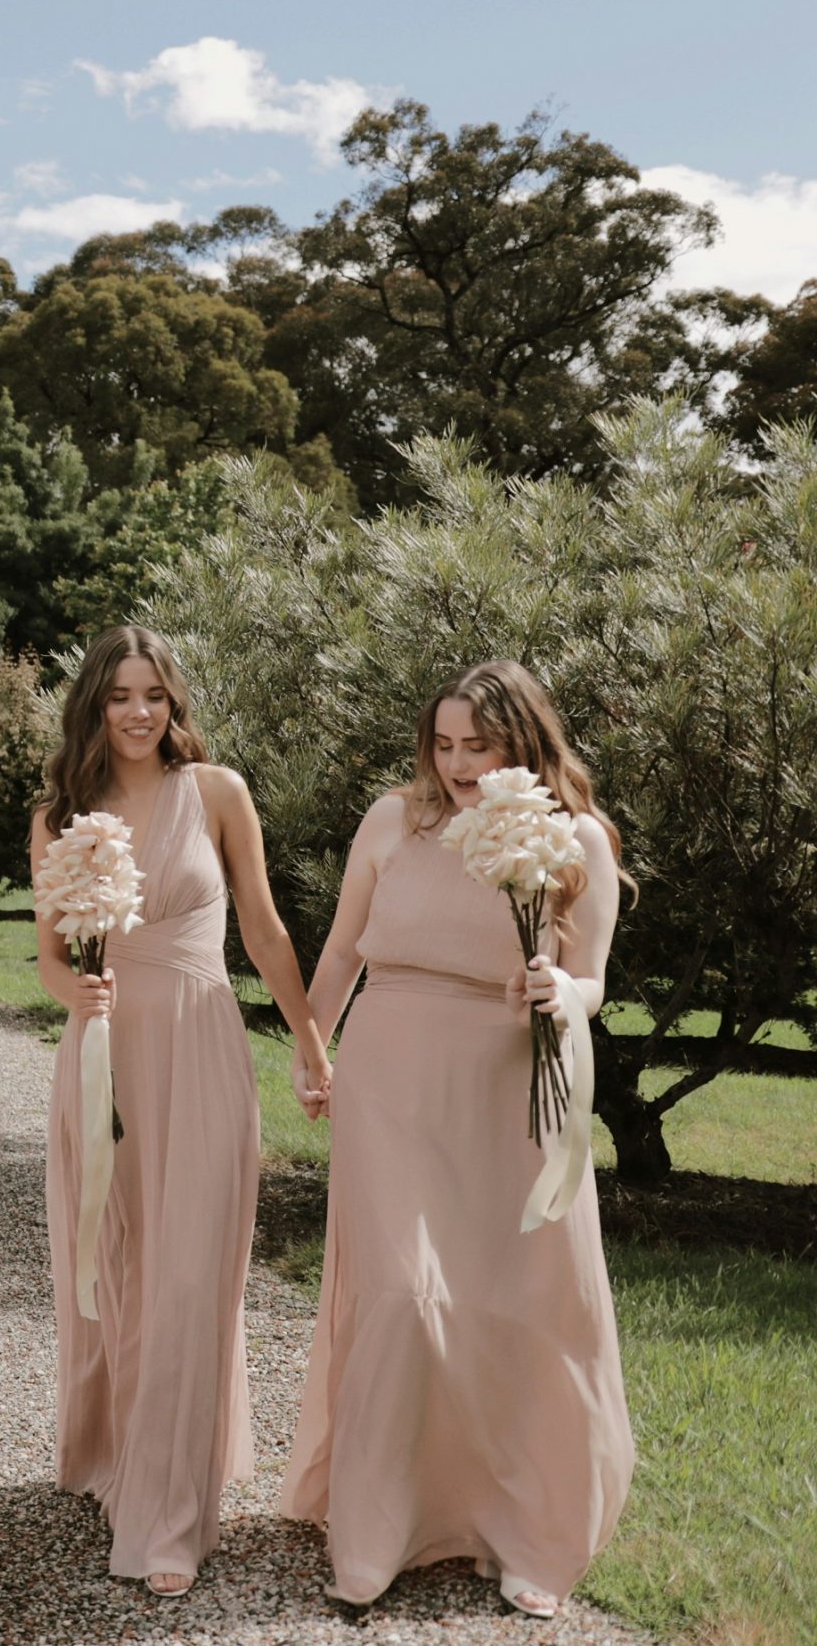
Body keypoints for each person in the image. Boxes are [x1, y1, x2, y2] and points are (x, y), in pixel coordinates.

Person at [282, 660, 632, 1618]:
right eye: (443, 744)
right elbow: (346, 946)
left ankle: (523, 1529)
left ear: (525, 742)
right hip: (390, 1081)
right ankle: (375, 1527)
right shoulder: (394, 821)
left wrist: (562, 991)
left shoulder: (577, 840)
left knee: (515, 1302)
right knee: (400, 1296)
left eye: (477, 745)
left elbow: (592, 977)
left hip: (512, 1086)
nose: (458, 763)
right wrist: (313, 1049)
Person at [34, 625, 330, 1595]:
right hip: (105, 1056)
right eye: (118, 695)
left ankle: (167, 1517)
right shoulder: (61, 813)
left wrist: (309, 1036)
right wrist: (70, 993)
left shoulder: (216, 794)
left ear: (173, 703)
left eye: (152, 694)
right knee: (121, 1270)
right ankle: (127, 1460)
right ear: (93, 703)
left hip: (201, 1047)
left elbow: (262, 923)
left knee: (191, 1274)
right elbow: (48, 954)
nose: (136, 712)